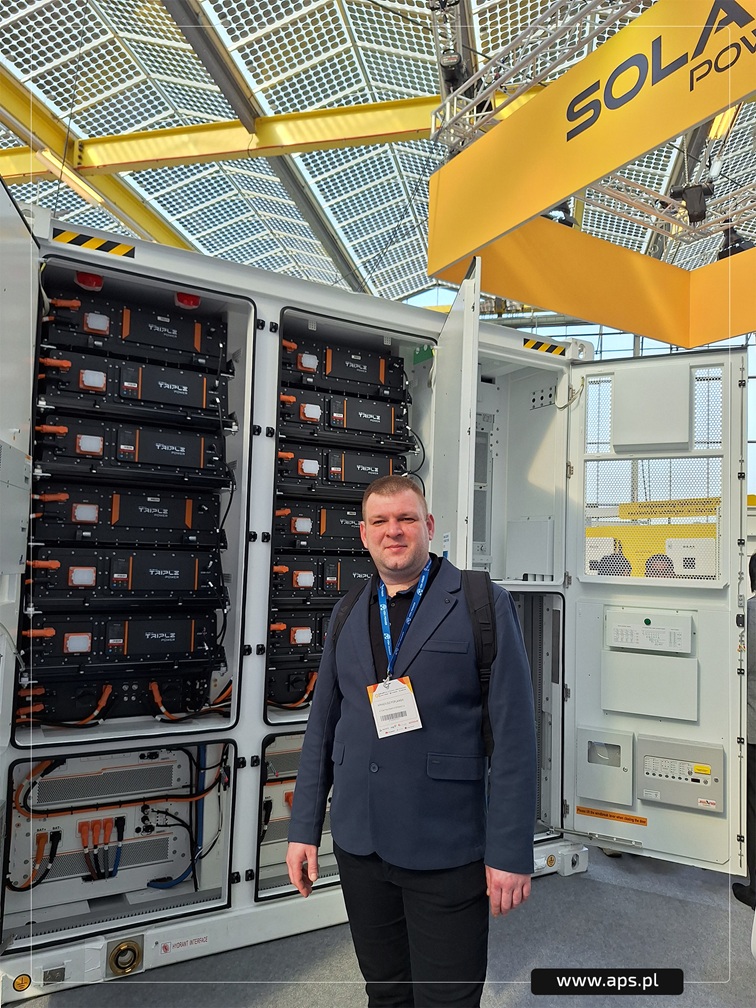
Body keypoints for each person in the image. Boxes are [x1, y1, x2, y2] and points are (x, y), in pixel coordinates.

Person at [286, 475, 538, 1007]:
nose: (393, 531)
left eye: (406, 519)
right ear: (364, 534)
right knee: (385, 993)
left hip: (445, 844)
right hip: (360, 844)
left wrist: (511, 851)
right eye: (379, 521)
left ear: (428, 526)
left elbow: (514, 737)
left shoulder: (481, 602)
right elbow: (322, 727)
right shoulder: (347, 611)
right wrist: (303, 829)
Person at [733, 551, 756, 909]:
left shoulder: (748, 614)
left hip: (752, 730)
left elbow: (740, 669)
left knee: (752, 810)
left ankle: (755, 890)